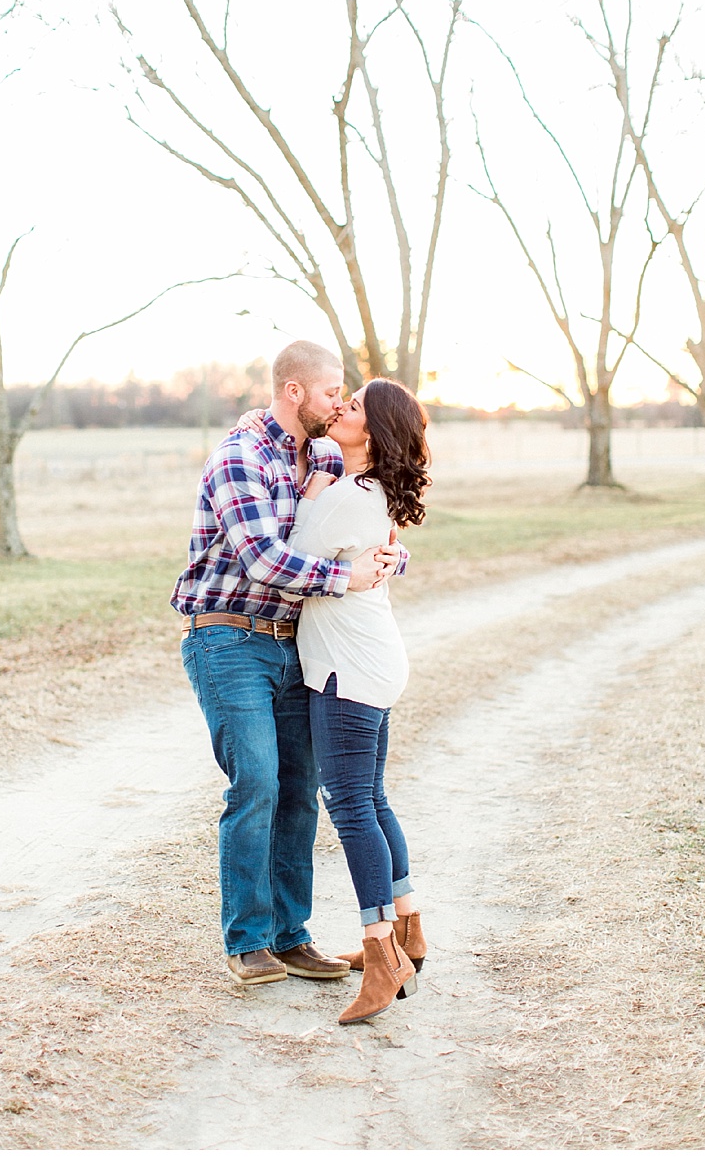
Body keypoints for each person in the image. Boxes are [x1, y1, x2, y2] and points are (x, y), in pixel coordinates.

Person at [174, 341, 406, 988]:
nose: (342, 403)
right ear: (297, 391)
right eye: (334, 391)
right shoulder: (237, 456)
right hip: (229, 638)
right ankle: (247, 941)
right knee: (259, 783)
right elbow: (265, 561)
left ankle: (290, 935)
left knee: (301, 787)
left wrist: (390, 560)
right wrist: (347, 575)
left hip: (294, 641)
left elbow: (368, 521)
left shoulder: (328, 454)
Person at [287, 378, 431, 1025]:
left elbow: (290, 558)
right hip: (372, 659)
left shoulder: (348, 495)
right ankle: (407, 930)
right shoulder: (373, 495)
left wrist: (313, 487)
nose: (341, 409)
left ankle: (381, 955)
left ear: (371, 432)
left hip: (349, 667)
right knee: (370, 799)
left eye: (354, 407)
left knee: (349, 806)